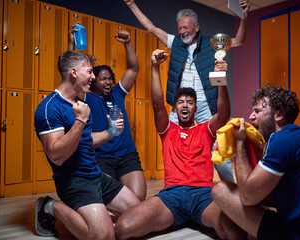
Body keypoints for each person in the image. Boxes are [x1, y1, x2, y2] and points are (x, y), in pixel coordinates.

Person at [114, 49, 246, 239]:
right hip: (171, 196)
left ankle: (196, 217)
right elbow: (158, 103)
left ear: (195, 108)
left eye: (190, 102)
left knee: (236, 232)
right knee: (122, 228)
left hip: (203, 195)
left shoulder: (204, 130)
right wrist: (154, 67)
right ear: (175, 108)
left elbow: (223, 114)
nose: (185, 105)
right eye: (181, 102)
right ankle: (180, 218)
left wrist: (221, 78)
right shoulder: (168, 130)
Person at [123, 0, 250, 181]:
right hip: (181, 104)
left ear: (196, 27)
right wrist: (131, 5)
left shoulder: (212, 43)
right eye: (180, 28)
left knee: (219, 150)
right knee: (172, 144)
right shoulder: (174, 42)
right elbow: (151, 28)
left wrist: (244, 17)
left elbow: (239, 41)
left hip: (206, 105)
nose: (182, 31)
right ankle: (177, 183)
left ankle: (235, 186)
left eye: (186, 27)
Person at [212, 85, 300, 239]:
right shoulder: (297, 135)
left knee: (222, 190)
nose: (251, 117)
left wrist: (239, 143)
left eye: (257, 111)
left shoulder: (281, 139)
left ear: (279, 114)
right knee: (262, 192)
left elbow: (248, 196)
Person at [34, 50, 140, 239]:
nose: (93, 77)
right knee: (102, 236)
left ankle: (95, 211)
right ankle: (49, 206)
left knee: (139, 217)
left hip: (96, 176)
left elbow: (84, 141)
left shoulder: (80, 103)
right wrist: (80, 122)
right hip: (74, 181)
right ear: (74, 73)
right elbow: (57, 156)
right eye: (90, 72)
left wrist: (110, 132)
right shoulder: (49, 108)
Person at [68, 23, 147, 201]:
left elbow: (133, 69)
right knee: (107, 198)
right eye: (103, 78)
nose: (108, 82)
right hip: (102, 158)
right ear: (93, 81)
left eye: (110, 78)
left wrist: (128, 43)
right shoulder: (88, 97)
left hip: (127, 156)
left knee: (139, 198)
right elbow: (71, 77)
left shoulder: (118, 93)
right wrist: (71, 44)